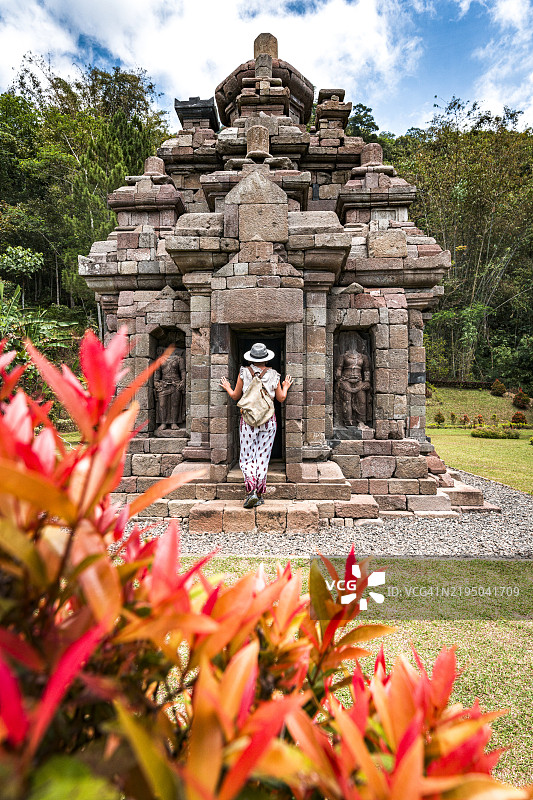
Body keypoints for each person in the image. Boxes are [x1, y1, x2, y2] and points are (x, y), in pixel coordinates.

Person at [219, 342, 293, 508]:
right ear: (266, 359)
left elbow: (236, 396)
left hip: (248, 421)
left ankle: (251, 491)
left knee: (247, 457)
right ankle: (259, 494)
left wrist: (227, 387)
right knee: (262, 457)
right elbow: (280, 398)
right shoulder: (274, 374)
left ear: (251, 358)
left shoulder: (243, 372)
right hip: (268, 421)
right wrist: (285, 386)